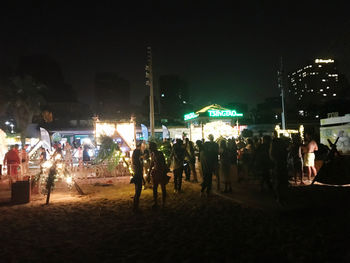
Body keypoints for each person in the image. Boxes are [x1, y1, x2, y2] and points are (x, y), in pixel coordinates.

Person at [148, 142, 169, 209]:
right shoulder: (152, 154)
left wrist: (163, 172)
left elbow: (162, 163)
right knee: (155, 188)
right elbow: (151, 164)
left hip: (161, 172)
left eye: (150, 146)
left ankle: (163, 203)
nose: (149, 148)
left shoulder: (159, 153)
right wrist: (149, 173)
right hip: (156, 172)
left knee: (162, 188)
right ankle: (156, 202)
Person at [270, 134, 289, 205]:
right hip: (283, 166)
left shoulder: (273, 152)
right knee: (283, 182)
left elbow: (272, 158)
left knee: (278, 182)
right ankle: (282, 197)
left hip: (277, 166)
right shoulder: (284, 150)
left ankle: (279, 197)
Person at [131, 141, 144, 211]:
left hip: (136, 174)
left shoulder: (135, 160)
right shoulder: (137, 162)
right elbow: (139, 169)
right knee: (138, 191)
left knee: (137, 190)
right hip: (138, 175)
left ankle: (136, 206)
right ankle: (135, 207)